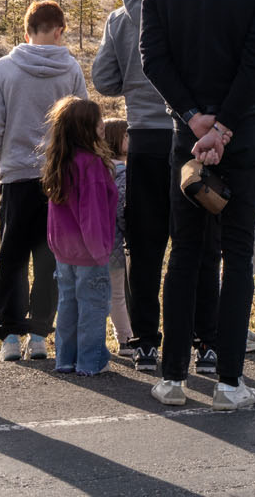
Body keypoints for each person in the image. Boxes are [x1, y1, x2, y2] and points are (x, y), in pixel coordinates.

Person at [140, 0, 255, 410]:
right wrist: (224, 128)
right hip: (241, 134)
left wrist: (194, 118)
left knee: (185, 250)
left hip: (188, 136)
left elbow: (153, 57)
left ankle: (173, 379)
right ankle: (228, 382)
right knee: (236, 251)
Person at [92, 0, 229, 373]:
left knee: (145, 245)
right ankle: (206, 341)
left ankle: (146, 342)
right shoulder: (198, 11)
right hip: (191, 137)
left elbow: (104, 79)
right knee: (200, 242)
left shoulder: (121, 18)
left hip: (144, 139)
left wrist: (134, 83)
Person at [0, 0, 87, 362]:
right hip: (58, 177)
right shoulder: (70, 69)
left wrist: (2, 160)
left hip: (16, 176)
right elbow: (82, 125)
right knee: (50, 257)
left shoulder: (4, 68)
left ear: (27, 32)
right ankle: (40, 335)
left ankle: (10, 336)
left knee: (11, 256)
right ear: (59, 31)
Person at [44, 97, 120, 376]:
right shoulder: (91, 165)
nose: (103, 125)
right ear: (87, 128)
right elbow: (93, 214)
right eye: (98, 121)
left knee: (68, 304)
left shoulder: (59, 162)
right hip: (90, 251)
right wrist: (100, 251)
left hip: (64, 251)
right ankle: (90, 362)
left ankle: (65, 359)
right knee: (92, 307)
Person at [99, 118, 134, 354]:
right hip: (115, 241)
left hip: (96, 240)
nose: (131, 139)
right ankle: (125, 339)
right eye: (126, 135)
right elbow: (122, 209)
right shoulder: (121, 172)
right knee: (117, 295)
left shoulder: (99, 168)